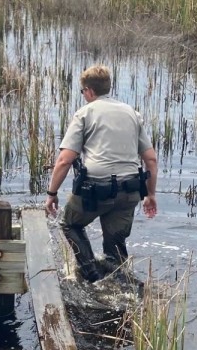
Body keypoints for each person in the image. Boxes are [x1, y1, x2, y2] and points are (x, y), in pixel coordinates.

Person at [44, 65, 158, 281]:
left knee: (70, 223)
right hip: (130, 191)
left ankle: (92, 276)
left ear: (88, 91)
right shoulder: (132, 113)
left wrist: (52, 193)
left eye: (82, 92)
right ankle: (122, 285)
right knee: (115, 246)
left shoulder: (84, 113)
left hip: (96, 190)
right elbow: (150, 159)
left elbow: (64, 160)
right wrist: (151, 195)